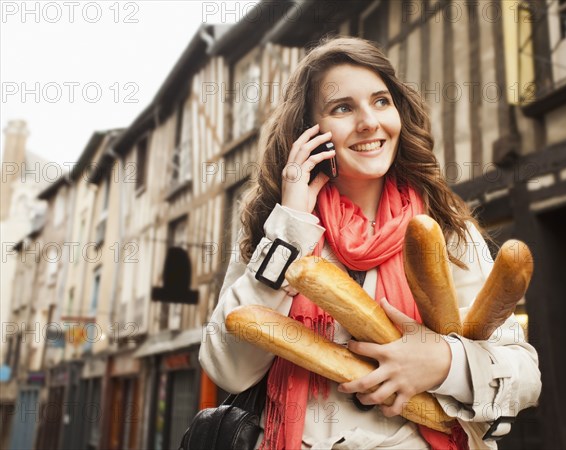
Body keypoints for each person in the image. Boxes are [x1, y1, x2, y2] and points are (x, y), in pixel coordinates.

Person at [199, 36, 541, 450]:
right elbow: (227, 368)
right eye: (342, 108)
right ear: (309, 130)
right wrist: (291, 225)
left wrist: (443, 364)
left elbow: (526, 376)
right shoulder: (273, 232)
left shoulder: (447, 229)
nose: (368, 122)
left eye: (381, 101)